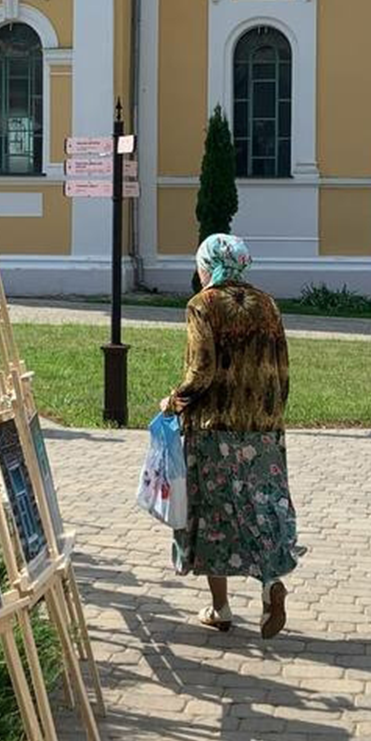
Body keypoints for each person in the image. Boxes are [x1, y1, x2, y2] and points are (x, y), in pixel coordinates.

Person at [161, 234, 302, 639]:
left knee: (215, 516)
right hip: (262, 431)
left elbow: (200, 372)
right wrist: (272, 416)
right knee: (262, 510)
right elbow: (283, 368)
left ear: (208, 265)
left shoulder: (202, 305)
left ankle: (220, 607)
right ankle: (270, 583)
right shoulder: (268, 305)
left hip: (213, 431)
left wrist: (174, 401)